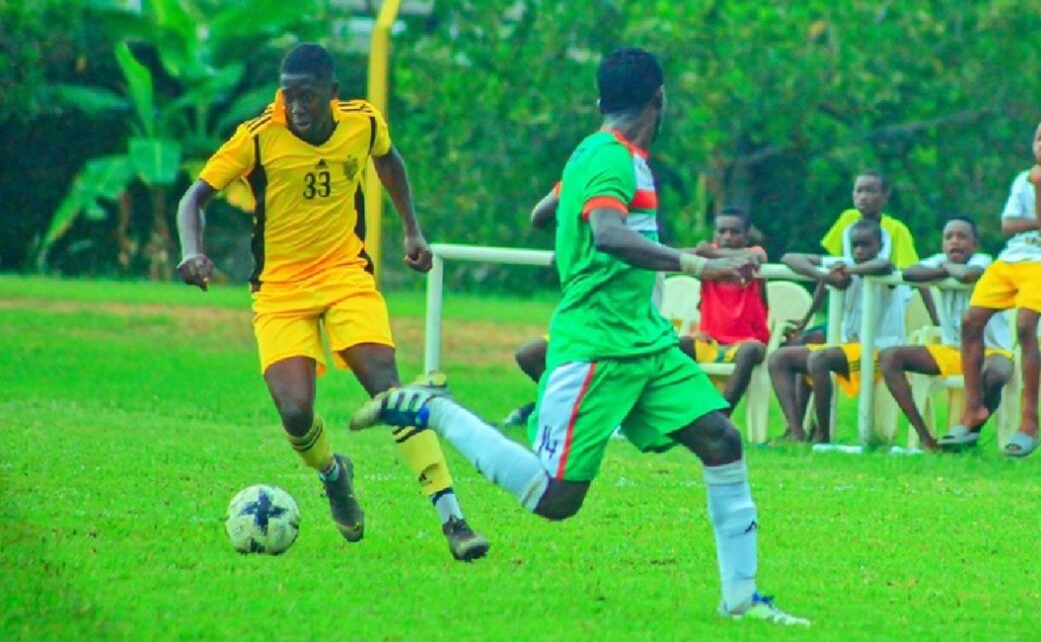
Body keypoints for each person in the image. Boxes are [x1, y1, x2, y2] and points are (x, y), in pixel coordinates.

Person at [351, 48, 807, 626]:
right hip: (596, 347)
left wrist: (572, 194)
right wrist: (701, 266)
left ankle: (741, 599)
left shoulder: (604, 157)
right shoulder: (611, 158)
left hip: (645, 341)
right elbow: (610, 235)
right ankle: (436, 411)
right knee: (554, 500)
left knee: (721, 439)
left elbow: (545, 214)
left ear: (601, 103)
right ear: (659, 100)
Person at [175, 43, 489, 560]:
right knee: (296, 411)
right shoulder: (258, 138)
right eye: (289, 95)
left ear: (332, 95)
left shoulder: (361, 123)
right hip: (280, 290)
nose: (297, 106)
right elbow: (194, 198)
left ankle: (453, 518)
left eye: (308, 95)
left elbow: (389, 161)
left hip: (346, 275)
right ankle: (333, 473)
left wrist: (412, 230)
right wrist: (193, 252)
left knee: (388, 387)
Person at [941, 120, 1041, 457]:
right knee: (971, 321)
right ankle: (973, 409)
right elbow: (1008, 225)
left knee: (1025, 326)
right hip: (1011, 258)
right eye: (1038, 138)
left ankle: (1030, 423)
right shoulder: (1022, 179)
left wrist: (1040, 192)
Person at [877, 216, 1014, 451]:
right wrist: (946, 269)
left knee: (995, 376)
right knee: (889, 357)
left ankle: (967, 435)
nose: (955, 242)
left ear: (975, 244)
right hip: (953, 351)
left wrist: (944, 270)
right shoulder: (941, 261)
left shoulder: (984, 261)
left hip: (992, 351)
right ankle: (926, 438)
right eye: (949, 237)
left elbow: (969, 275)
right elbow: (909, 274)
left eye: (962, 237)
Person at [768, 220, 909, 443]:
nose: (859, 251)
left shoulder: (885, 274)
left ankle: (824, 435)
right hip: (846, 348)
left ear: (880, 244)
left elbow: (884, 265)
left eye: (866, 245)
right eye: (855, 246)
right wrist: (824, 276)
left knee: (819, 359)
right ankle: (796, 432)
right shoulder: (843, 264)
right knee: (779, 358)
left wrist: (848, 271)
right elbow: (790, 258)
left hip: (879, 351)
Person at [799, 171, 935, 341]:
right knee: (804, 341)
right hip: (851, 310)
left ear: (885, 195)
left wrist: (936, 321)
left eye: (870, 191)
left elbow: (916, 276)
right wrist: (806, 318)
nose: (863, 197)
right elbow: (830, 270)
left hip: (883, 312)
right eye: (859, 190)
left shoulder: (897, 229)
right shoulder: (847, 220)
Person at [678, 207, 770, 413]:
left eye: (734, 232)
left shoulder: (754, 252)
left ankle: (723, 412)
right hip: (710, 342)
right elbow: (680, 254)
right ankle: (690, 410)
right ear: (714, 235)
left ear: (746, 236)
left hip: (745, 343)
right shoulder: (705, 260)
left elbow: (756, 258)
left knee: (750, 351)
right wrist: (707, 255)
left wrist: (709, 253)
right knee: (675, 346)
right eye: (722, 231)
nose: (727, 236)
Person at [502, 184, 559, 427]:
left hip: (625, 313)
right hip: (588, 310)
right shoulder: (585, 172)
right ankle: (552, 409)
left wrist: (683, 260)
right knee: (531, 355)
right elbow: (538, 216)